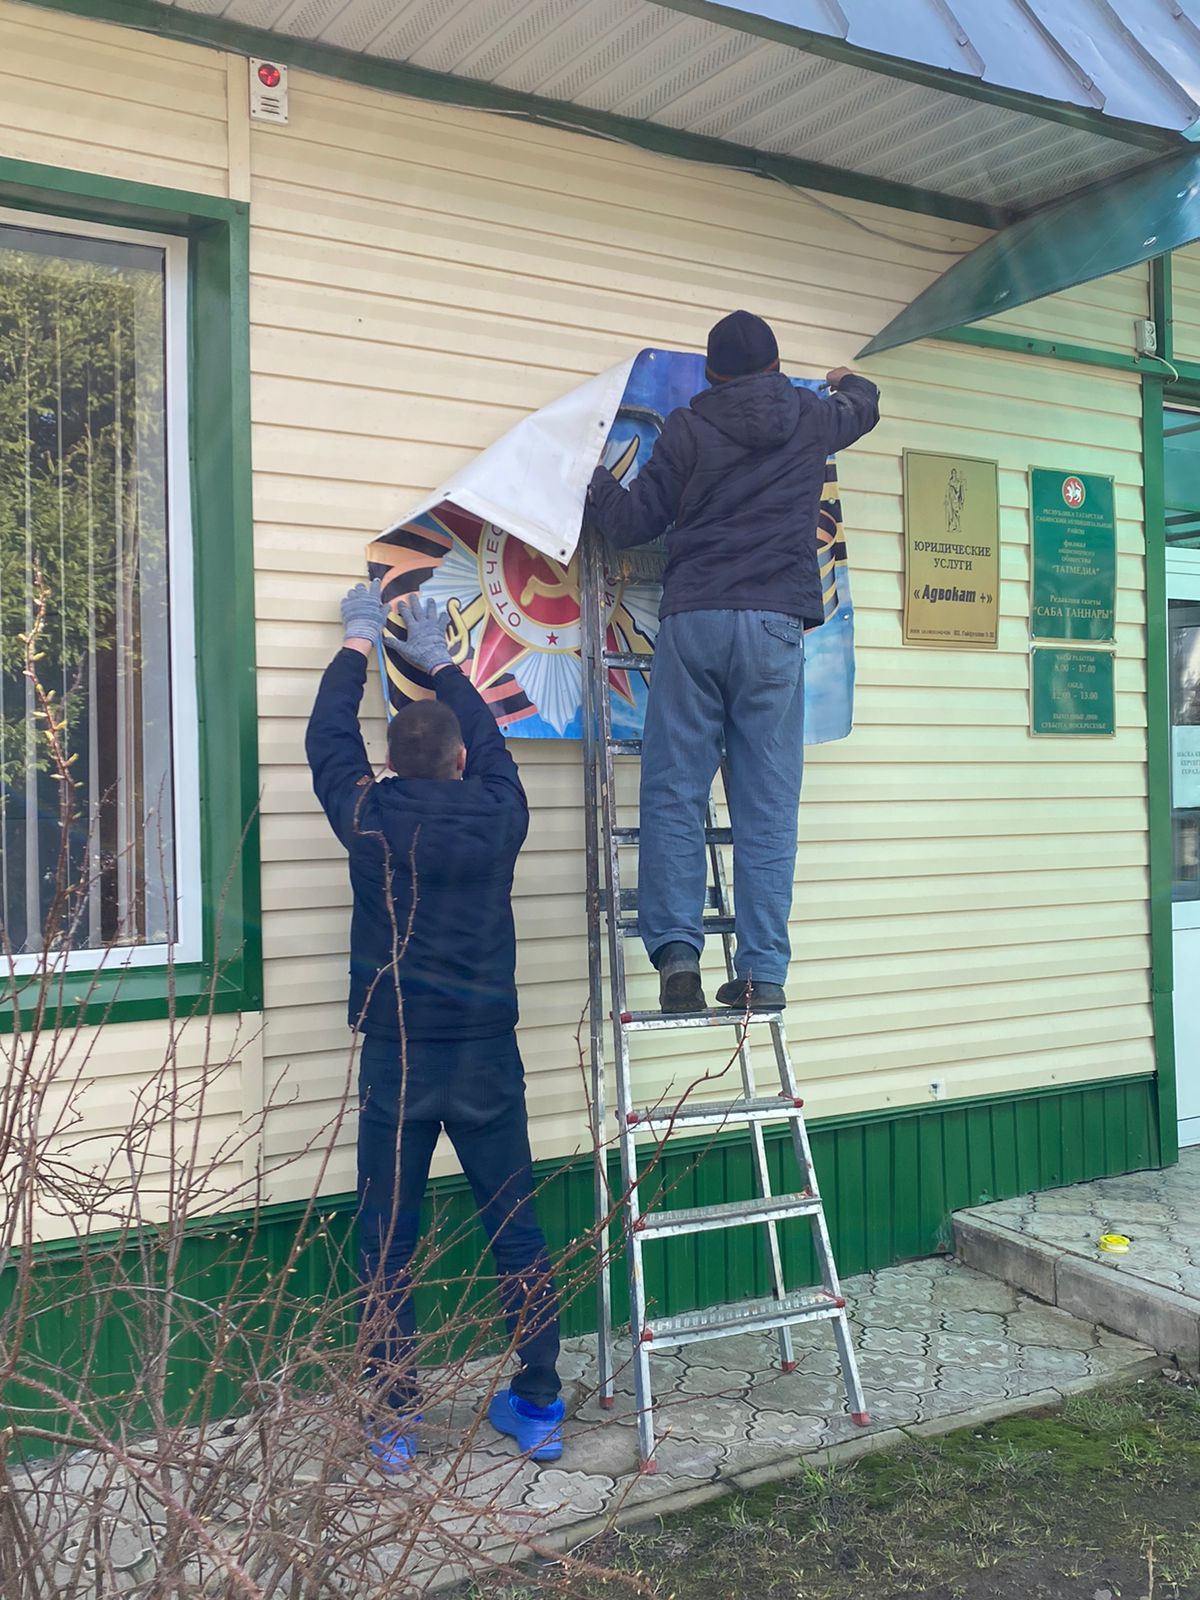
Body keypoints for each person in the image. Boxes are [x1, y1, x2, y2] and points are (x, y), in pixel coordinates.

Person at [306, 583, 563, 1469]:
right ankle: (536, 1404)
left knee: (389, 1232)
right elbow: (493, 742)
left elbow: (325, 741)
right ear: (457, 763)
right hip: (488, 1051)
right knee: (515, 1224)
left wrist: (355, 642)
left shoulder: (370, 818)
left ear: (390, 766)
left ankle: (395, 1416)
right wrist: (443, 659)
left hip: (400, 1057)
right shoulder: (499, 813)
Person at [587, 310, 880, 1014]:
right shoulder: (813, 418)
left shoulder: (688, 427)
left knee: (673, 792)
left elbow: (630, 524)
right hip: (776, 627)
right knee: (767, 807)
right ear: (777, 367)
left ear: (713, 375)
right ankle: (762, 973)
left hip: (696, 620)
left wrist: (590, 479)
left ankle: (679, 960)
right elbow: (863, 408)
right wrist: (849, 379)